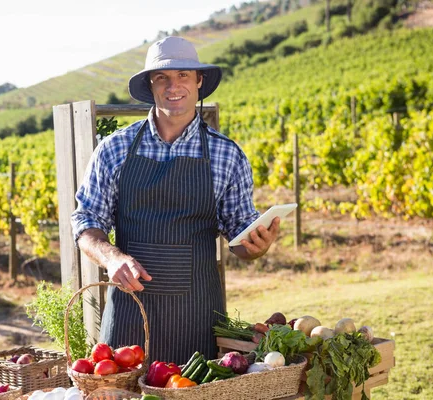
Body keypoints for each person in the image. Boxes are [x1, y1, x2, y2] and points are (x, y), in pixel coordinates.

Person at [71, 36, 280, 365]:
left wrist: (256, 246)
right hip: (129, 314)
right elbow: (86, 223)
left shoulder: (227, 155)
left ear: (199, 82)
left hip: (197, 318)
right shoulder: (114, 149)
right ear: (151, 86)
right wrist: (112, 259)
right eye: (162, 78)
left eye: (183, 75)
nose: (173, 86)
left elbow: (240, 236)